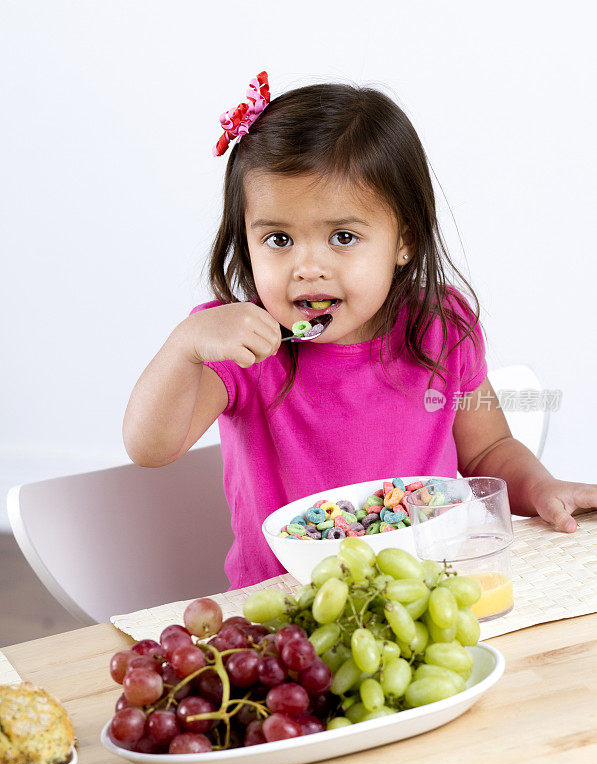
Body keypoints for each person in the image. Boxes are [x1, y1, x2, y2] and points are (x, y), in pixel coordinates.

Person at [123, 72, 597, 590]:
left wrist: (542, 487)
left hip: (426, 590)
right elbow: (149, 448)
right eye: (279, 239)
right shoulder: (242, 345)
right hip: (292, 606)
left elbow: (487, 452)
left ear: (403, 242)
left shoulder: (440, 327)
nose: (307, 267)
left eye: (343, 237)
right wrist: (183, 348)